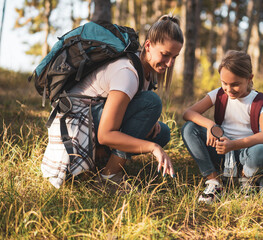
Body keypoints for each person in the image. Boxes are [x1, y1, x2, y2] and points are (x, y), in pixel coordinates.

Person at [41, 15, 184, 191]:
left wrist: (149, 124)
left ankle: (100, 159)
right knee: (151, 104)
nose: (169, 63)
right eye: (165, 54)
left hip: (92, 120)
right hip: (76, 129)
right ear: (148, 46)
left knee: (162, 132)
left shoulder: (147, 72)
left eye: (174, 57)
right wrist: (152, 147)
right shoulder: (127, 73)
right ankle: (109, 177)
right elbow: (105, 135)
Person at [181, 50, 263, 204]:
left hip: (247, 154)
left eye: (235, 84)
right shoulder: (219, 94)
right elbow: (188, 113)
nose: (228, 89)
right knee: (189, 129)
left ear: (249, 79)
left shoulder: (258, 101)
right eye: (224, 83)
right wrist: (210, 125)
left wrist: (234, 144)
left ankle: (247, 180)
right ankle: (215, 183)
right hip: (222, 152)